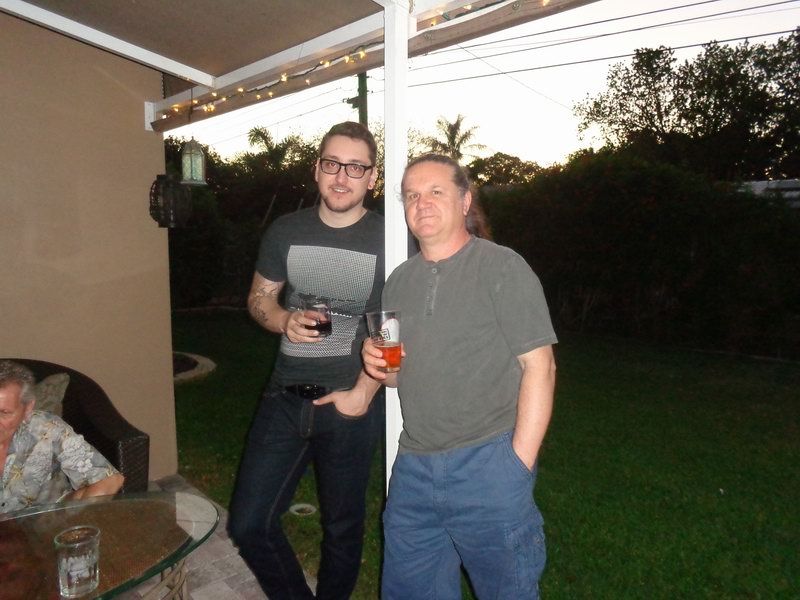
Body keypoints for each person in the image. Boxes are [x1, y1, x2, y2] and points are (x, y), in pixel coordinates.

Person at [363, 154, 558, 599]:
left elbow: (540, 367)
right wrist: (377, 363)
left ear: (465, 201)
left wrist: (516, 466)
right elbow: (396, 375)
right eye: (412, 195)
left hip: (488, 464)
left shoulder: (502, 267)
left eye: (436, 191)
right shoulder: (398, 282)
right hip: (414, 469)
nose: (422, 203)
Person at [228, 121, 385, 600]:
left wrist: (364, 393)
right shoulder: (286, 231)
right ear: (317, 169)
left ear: (372, 177)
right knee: (248, 524)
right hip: (283, 398)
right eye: (333, 164)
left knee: (342, 528)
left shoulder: (389, 240)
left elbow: (395, 326)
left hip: (348, 404)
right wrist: (282, 320)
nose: (342, 176)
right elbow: (260, 298)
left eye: (355, 167)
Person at [0, 360, 124, 514]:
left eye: (4, 413)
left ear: (27, 409)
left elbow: (110, 481)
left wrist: (68, 521)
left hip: (43, 523)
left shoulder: (47, 428)